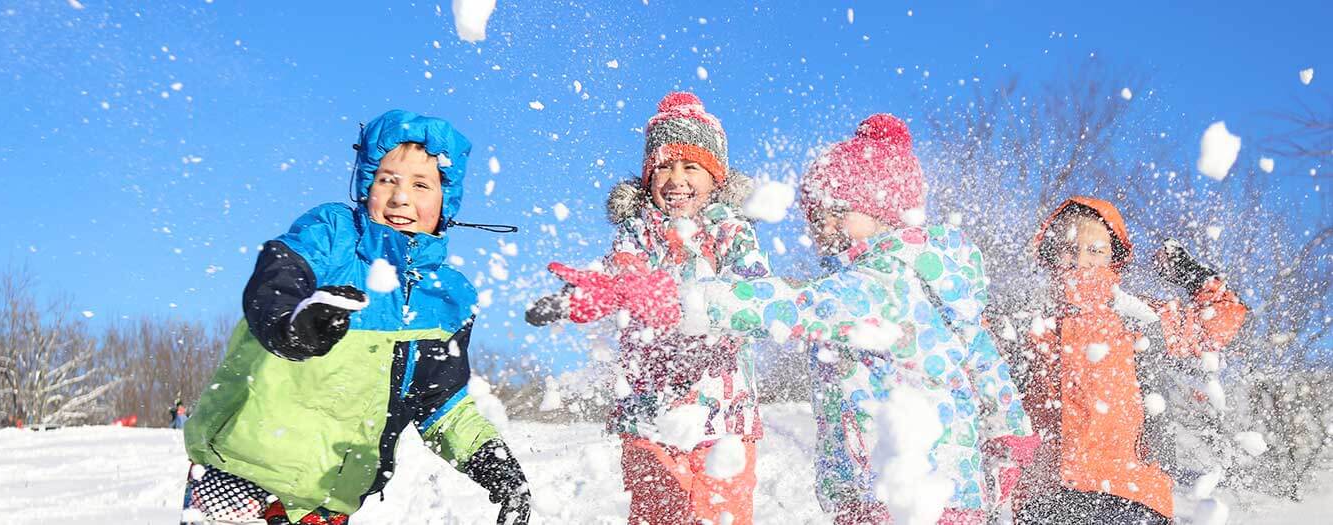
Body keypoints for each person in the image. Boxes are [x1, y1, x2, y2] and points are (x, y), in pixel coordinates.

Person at [680, 114, 1036, 524]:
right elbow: (985, 358)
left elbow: (787, 307)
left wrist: (688, 302)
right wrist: (1008, 430)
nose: (824, 225)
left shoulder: (881, 279)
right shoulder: (927, 282)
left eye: (837, 211)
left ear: (882, 212)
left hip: (904, 492)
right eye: (815, 216)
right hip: (923, 490)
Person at [183, 110, 529, 525]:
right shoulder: (332, 233)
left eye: (421, 185)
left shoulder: (448, 298)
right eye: (387, 180)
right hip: (243, 476)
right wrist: (295, 327)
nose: (401, 197)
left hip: (329, 501)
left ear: (446, 200)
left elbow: (439, 403)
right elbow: (275, 284)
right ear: (366, 184)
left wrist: (495, 466)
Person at [529, 92, 769, 524]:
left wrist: (684, 303)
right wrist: (584, 297)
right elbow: (620, 278)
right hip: (648, 413)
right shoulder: (636, 233)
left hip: (722, 414)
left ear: (716, 177)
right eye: (663, 166)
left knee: (720, 515)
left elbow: (755, 297)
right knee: (656, 515)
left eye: (690, 166)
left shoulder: (733, 232)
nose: (675, 178)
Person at [1009, 197, 1248, 524]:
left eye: (1095, 250)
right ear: (1051, 254)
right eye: (1069, 247)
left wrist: (1193, 275)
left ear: (1113, 258)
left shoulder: (1142, 319)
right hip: (1048, 497)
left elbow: (1223, 316)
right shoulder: (1030, 329)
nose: (1081, 258)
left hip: (1132, 494)